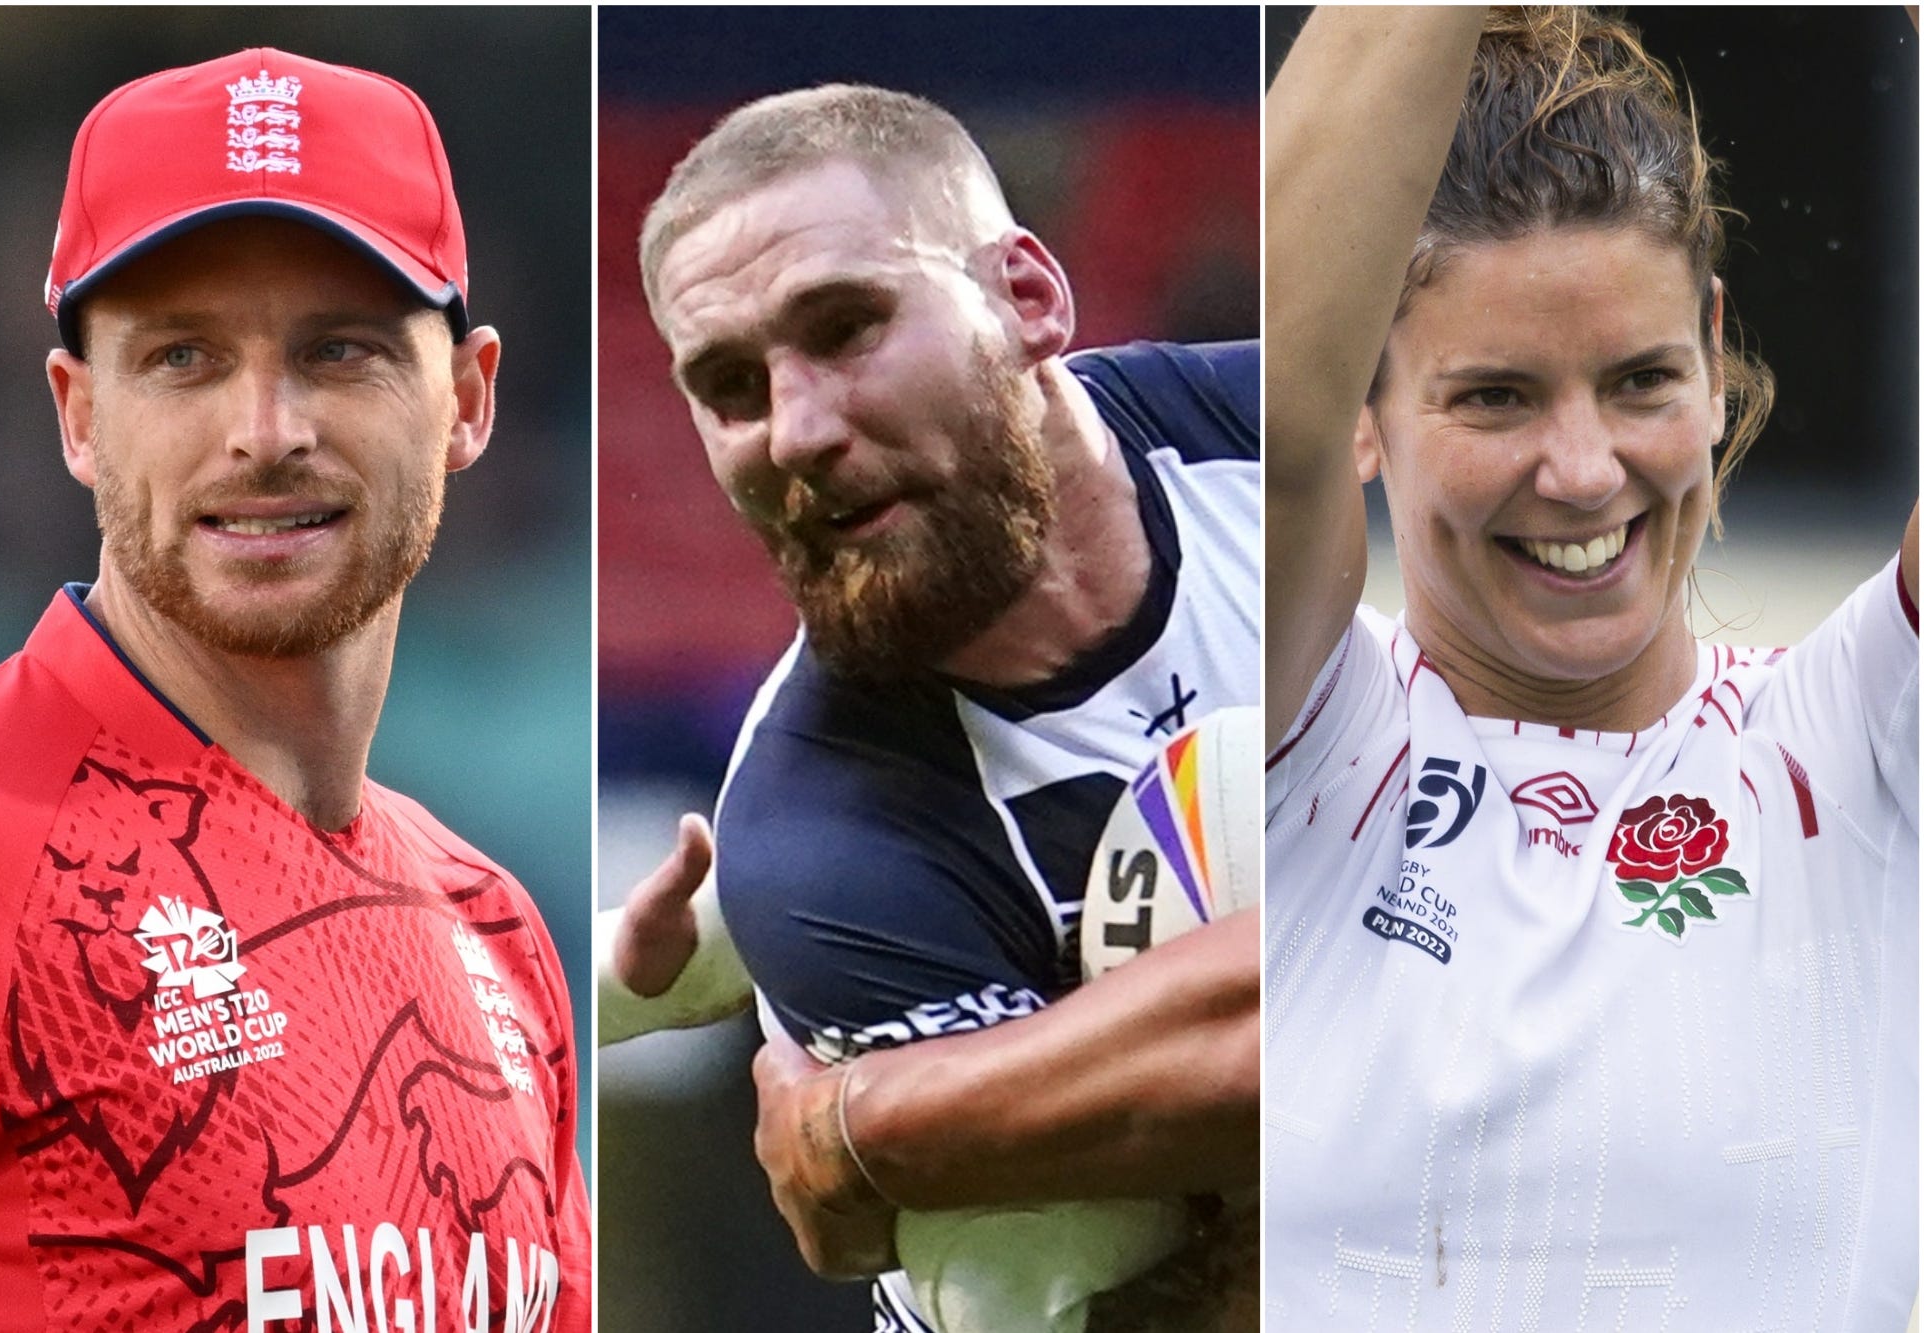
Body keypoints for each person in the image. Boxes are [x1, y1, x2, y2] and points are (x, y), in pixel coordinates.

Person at [1264, 7, 1916, 1329]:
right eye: (1495, 396)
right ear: (1366, 414)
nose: (1580, 470)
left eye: (1640, 381)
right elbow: (1277, 421)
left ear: (1717, 353)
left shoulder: (1869, 747)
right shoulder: (1297, 748)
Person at [0, 49, 590, 1330]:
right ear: (77, 416)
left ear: (466, 396)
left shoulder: (497, 928)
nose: (266, 428)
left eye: (338, 349)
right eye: (183, 357)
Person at [628, 82, 1261, 1329]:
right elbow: (1132, 1297)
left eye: (847, 325)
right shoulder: (822, 843)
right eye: (733, 388)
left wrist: (876, 1125)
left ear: (1027, 298)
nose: (797, 430)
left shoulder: (1258, 429)